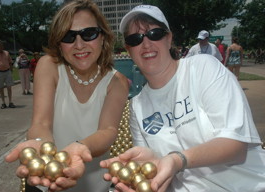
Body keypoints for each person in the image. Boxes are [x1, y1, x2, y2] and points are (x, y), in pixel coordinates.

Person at [100, 5, 265, 192]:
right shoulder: (137, 106)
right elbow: (159, 170)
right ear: (129, 50)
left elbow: (235, 144)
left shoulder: (203, 68)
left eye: (154, 33)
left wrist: (178, 159)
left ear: (169, 38)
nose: (146, 44)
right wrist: (151, 169)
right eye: (135, 39)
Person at [5, 0, 129, 191]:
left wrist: (78, 149)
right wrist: (43, 149)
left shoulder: (117, 82)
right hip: (47, 178)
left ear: (103, 37)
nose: (79, 45)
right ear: (59, 43)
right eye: (68, 36)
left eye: (89, 34)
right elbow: (41, 123)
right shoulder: (49, 66)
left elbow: (108, 131)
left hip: (94, 185)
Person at [0, 40, 16, 109]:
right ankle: (3, 103)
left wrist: (11, 70)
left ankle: (10, 102)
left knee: (9, 87)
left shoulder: (6, 53)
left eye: (2, 46)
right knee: (1, 88)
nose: (1, 47)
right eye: (0, 46)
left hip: (7, 72)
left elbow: (10, 62)